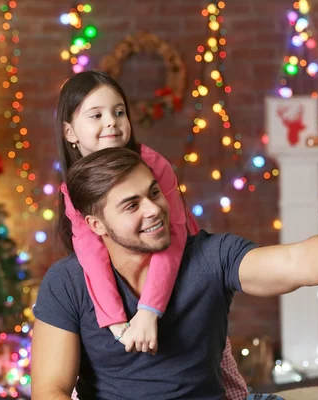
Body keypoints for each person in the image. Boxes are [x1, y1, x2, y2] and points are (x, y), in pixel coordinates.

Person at [32, 147, 318, 399]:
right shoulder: (67, 283)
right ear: (97, 225)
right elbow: (51, 389)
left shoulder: (209, 255)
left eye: (153, 193)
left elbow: (299, 263)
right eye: (130, 205)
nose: (153, 209)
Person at [54, 70, 248, 398]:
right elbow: (91, 255)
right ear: (70, 132)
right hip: (123, 297)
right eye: (96, 115)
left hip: (178, 280)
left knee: (220, 368)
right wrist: (115, 321)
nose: (112, 123)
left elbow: (171, 240)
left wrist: (149, 311)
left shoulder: (153, 165)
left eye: (119, 112)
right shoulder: (73, 191)